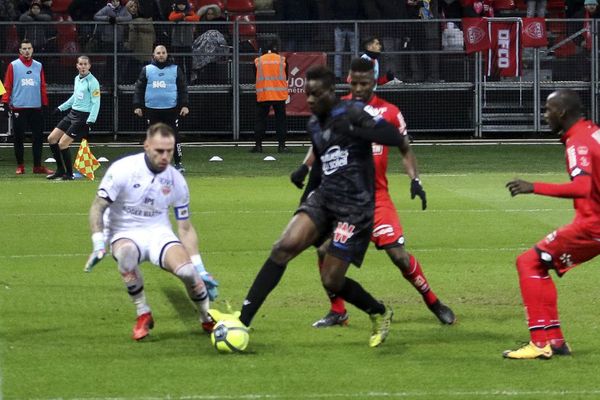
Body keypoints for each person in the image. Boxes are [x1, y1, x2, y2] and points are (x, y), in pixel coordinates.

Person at [209, 65, 406, 348]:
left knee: (332, 280)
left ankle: (378, 311)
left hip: (355, 208)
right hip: (325, 198)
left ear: (330, 92)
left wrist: (359, 131)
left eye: (315, 94)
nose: (310, 100)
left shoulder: (351, 114)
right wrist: (304, 205)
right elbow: (321, 168)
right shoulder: (314, 124)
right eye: (307, 94)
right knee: (282, 247)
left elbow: (392, 136)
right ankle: (244, 319)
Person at [290, 58, 455, 328]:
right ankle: (338, 311)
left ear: (375, 82)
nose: (357, 88)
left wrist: (416, 180)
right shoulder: (336, 107)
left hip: (377, 199)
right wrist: (304, 167)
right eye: (353, 83)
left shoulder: (389, 112)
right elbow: (320, 142)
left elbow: (405, 147)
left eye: (363, 83)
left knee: (399, 256)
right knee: (323, 250)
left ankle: (434, 302)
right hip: (344, 199)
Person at [85, 122, 219, 341]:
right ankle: (143, 312)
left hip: (158, 233)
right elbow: (97, 206)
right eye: (159, 151)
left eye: (169, 151)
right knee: (127, 257)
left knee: (187, 273)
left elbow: (185, 227)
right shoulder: (123, 169)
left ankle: (206, 317)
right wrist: (99, 243)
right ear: (146, 145)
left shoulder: (176, 180)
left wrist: (200, 268)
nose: (165, 156)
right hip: (123, 231)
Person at [503, 89, 600, 359]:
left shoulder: (578, 142)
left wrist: (533, 187)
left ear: (562, 113)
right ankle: (555, 341)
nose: (545, 115)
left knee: (527, 263)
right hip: (593, 223)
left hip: (593, 226)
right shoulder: (592, 131)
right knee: (539, 264)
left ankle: (539, 342)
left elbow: (582, 187)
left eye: (548, 110)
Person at [0, 39, 54, 175]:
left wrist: (45, 103)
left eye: (29, 48)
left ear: (32, 50)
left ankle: (37, 167)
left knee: (38, 138)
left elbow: (42, 85)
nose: (27, 51)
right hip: (19, 108)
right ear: (20, 51)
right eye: (24, 48)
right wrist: (5, 103)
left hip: (36, 108)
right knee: (18, 138)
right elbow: (8, 85)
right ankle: (20, 166)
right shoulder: (13, 65)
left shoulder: (39, 66)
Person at [133, 45, 189, 173]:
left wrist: (184, 105)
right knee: (152, 137)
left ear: (167, 54)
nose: (161, 55)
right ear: (154, 55)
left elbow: (182, 88)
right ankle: (150, 162)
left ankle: (178, 163)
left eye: (163, 52)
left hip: (171, 109)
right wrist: (137, 105)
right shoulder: (146, 70)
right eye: (158, 53)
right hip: (151, 109)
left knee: (174, 136)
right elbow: (139, 89)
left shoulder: (175, 69)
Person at [46, 55, 100, 180]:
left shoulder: (93, 82)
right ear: (77, 66)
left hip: (82, 117)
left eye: (85, 64)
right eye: (80, 64)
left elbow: (96, 102)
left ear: (89, 66)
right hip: (72, 113)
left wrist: (91, 120)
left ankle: (69, 174)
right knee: (52, 138)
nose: (83, 67)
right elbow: (74, 97)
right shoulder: (77, 78)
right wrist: (61, 108)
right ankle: (60, 170)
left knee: (63, 144)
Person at [251, 40, 289, 154]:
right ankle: (282, 147)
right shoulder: (282, 60)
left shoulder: (258, 61)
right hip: (279, 95)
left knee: (260, 120)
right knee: (281, 121)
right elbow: (286, 76)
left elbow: (255, 76)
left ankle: (258, 146)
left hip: (263, 94)